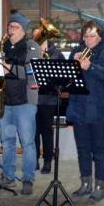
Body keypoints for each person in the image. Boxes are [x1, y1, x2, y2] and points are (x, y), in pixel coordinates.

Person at [66, 20, 104, 202]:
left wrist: (91, 66)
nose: (88, 39)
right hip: (79, 107)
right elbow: (67, 79)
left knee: (98, 150)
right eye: (86, 35)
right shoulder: (76, 52)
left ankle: (99, 186)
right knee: (82, 149)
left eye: (92, 36)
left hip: (99, 109)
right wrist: (72, 65)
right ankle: (85, 183)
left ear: (100, 37)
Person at [0, 11, 42, 195]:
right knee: (7, 141)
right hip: (5, 100)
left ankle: (28, 178)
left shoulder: (32, 47)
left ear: (23, 30)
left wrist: (11, 68)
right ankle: (8, 176)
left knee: (28, 142)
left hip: (25, 102)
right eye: (9, 26)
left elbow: (33, 73)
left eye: (15, 27)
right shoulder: (1, 46)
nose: (11, 30)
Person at [34, 37, 66, 175]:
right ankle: (34, 159)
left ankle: (47, 161)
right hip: (33, 97)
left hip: (49, 98)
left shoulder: (57, 54)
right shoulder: (32, 52)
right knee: (33, 132)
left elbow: (64, 77)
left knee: (46, 131)